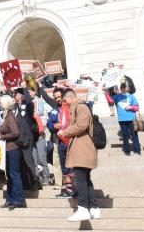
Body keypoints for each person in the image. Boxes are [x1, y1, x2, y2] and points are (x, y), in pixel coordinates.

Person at [60, 89, 100, 222]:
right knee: (86, 179)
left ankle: (83, 208)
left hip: (83, 149)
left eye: (65, 101)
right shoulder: (80, 107)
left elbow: (81, 125)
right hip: (83, 149)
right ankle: (93, 208)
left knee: (80, 180)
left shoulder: (81, 107)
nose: (65, 104)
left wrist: (65, 132)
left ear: (70, 98)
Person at [0, 95, 26, 209]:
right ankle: (10, 199)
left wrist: (3, 136)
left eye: (0, 103)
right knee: (9, 175)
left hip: (13, 149)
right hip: (7, 149)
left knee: (14, 175)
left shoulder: (10, 116)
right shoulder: (6, 115)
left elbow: (15, 132)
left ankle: (18, 200)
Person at [106, 84, 141, 156]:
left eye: (124, 87)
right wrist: (105, 92)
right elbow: (110, 101)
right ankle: (127, 152)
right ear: (120, 88)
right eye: (122, 87)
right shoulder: (117, 97)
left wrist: (131, 107)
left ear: (127, 88)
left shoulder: (131, 96)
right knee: (125, 136)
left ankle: (137, 151)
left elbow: (137, 108)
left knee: (134, 135)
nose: (123, 88)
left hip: (132, 119)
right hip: (122, 119)